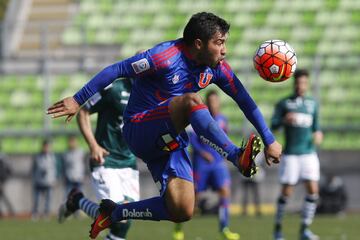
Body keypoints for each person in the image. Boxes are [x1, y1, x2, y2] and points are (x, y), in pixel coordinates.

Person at [46, 12, 282, 239]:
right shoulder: (163, 57)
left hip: (169, 138)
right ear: (199, 43)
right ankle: (235, 155)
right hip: (139, 128)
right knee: (191, 101)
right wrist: (78, 99)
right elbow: (118, 69)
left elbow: (243, 98)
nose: (224, 50)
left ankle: (114, 212)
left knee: (182, 210)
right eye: (219, 43)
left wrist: (269, 139)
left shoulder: (216, 68)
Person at [58, 77, 139, 240]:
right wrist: (93, 146)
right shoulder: (115, 89)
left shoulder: (152, 92)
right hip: (106, 159)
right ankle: (77, 200)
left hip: (129, 162)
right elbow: (83, 111)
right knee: (117, 216)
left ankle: (77, 200)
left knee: (125, 217)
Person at [173, 90, 239, 240]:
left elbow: (224, 139)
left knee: (225, 192)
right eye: (211, 101)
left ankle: (224, 228)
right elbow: (192, 141)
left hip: (218, 163)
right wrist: (203, 153)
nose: (213, 104)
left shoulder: (223, 119)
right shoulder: (198, 119)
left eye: (216, 101)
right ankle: (178, 227)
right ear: (207, 103)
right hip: (201, 163)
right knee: (192, 199)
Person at [271, 69, 323, 240]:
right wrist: (285, 119)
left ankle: (305, 229)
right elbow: (274, 126)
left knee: (313, 191)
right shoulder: (284, 103)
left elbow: (316, 128)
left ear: (307, 84)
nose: (301, 86)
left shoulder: (312, 104)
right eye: (299, 82)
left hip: (309, 153)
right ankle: (278, 229)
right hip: (291, 154)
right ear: (294, 84)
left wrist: (318, 134)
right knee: (286, 192)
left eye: (304, 83)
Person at [32, 139, 57, 219]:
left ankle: (46, 213)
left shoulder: (52, 157)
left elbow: (55, 169)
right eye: (44, 147)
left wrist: (54, 179)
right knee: (37, 199)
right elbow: (34, 168)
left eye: (47, 147)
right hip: (39, 181)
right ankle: (35, 213)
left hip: (49, 181)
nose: (46, 148)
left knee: (48, 199)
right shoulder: (37, 156)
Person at [0, 141, 14, 217]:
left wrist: (5, 177)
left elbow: (9, 167)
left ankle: (11, 211)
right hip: (2, 178)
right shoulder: (3, 156)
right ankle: (10, 211)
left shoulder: (3, 156)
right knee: (2, 196)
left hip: (1, 179)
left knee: (3, 195)